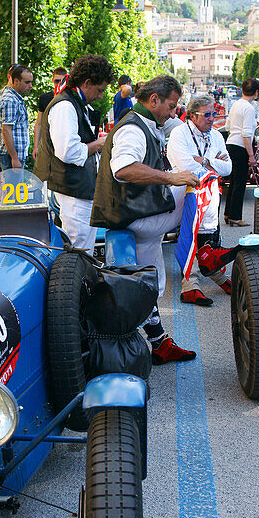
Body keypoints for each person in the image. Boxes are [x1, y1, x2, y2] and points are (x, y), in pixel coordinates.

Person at [91, 75, 199, 363]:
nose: (174, 112)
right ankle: (208, 250)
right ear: (154, 100)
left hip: (134, 211)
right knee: (196, 189)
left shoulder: (143, 123)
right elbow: (123, 169)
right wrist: (172, 177)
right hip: (131, 215)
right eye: (172, 106)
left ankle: (159, 341)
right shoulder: (132, 128)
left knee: (151, 282)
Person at [33, 54, 112, 249]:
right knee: (79, 248)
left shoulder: (73, 102)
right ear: (86, 83)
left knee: (82, 246)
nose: (101, 96)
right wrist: (99, 144)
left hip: (77, 187)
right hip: (72, 188)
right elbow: (68, 152)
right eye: (100, 90)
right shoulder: (65, 105)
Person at [166, 92, 232, 305]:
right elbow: (186, 167)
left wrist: (203, 161)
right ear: (193, 116)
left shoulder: (217, 136)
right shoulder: (180, 133)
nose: (212, 118)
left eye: (214, 113)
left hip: (208, 191)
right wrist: (213, 163)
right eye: (207, 115)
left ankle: (211, 273)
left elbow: (228, 167)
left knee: (206, 236)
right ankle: (193, 283)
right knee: (190, 232)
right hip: (183, 190)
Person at [223, 78, 258, 226]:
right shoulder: (249, 108)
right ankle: (235, 217)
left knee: (233, 182)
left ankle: (228, 213)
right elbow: (246, 133)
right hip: (241, 147)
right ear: (256, 92)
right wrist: (251, 155)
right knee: (240, 183)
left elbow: (227, 126)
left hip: (231, 143)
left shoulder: (236, 104)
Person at [0, 64, 34, 171]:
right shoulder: (10, 100)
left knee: (14, 187)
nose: (30, 85)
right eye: (27, 82)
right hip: (9, 157)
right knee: (12, 187)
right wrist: (14, 158)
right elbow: (6, 130)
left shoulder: (12, 97)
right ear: (16, 81)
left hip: (12, 156)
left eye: (31, 82)